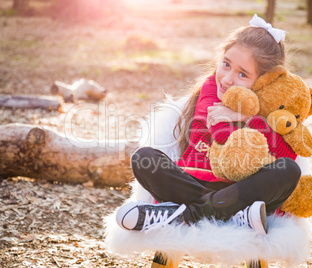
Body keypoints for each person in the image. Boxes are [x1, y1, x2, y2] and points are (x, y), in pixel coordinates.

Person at [115, 14, 301, 235]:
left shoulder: (273, 106)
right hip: (195, 183)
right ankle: (230, 216)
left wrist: (249, 118)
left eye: (242, 74)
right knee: (144, 158)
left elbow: (286, 156)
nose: (227, 78)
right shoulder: (212, 87)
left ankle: (182, 216)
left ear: (264, 81)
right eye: (226, 64)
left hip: (245, 191)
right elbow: (220, 132)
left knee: (289, 170)